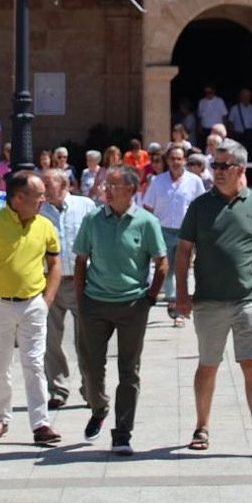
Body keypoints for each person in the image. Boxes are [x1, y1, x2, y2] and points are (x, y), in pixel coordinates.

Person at [174, 140, 252, 461]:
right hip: (208, 301)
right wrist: (181, 292)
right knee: (208, 366)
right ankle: (202, 427)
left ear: (240, 169)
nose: (217, 172)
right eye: (215, 166)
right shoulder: (200, 206)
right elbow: (183, 251)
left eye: (224, 167)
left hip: (247, 299)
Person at [73, 164, 167, 455]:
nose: (107, 191)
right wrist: (82, 299)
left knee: (129, 371)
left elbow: (161, 262)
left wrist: (149, 299)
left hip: (132, 305)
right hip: (95, 303)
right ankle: (99, 407)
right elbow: (80, 261)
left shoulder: (146, 222)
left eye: (113, 186)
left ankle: (122, 433)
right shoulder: (92, 220)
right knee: (90, 365)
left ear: (132, 190)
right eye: (106, 186)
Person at [0, 171, 63, 446]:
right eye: (38, 196)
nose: (43, 200)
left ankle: (41, 423)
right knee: (0, 365)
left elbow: (55, 264)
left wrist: (47, 300)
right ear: (18, 198)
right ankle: (1, 418)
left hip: (33, 303)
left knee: (34, 364)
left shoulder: (45, 225)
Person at [40, 168, 93, 411]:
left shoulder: (85, 205)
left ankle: (90, 388)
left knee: (87, 338)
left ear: (64, 184)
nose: (43, 189)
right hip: (49, 280)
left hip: (83, 280)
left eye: (48, 184)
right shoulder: (39, 211)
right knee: (51, 339)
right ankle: (58, 389)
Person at [140, 144, 207, 326]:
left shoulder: (194, 181)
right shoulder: (158, 181)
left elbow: (202, 207)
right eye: (172, 159)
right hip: (163, 232)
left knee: (183, 270)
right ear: (167, 161)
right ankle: (173, 305)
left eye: (179, 159)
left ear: (185, 160)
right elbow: (147, 207)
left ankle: (180, 305)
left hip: (186, 233)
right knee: (167, 270)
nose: (176, 162)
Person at [226, 88, 252, 165]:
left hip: (250, 136)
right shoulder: (235, 108)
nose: (246, 98)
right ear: (241, 97)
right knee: (239, 157)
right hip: (239, 136)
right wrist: (231, 137)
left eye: (248, 96)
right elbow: (231, 124)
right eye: (244, 96)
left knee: (251, 157)